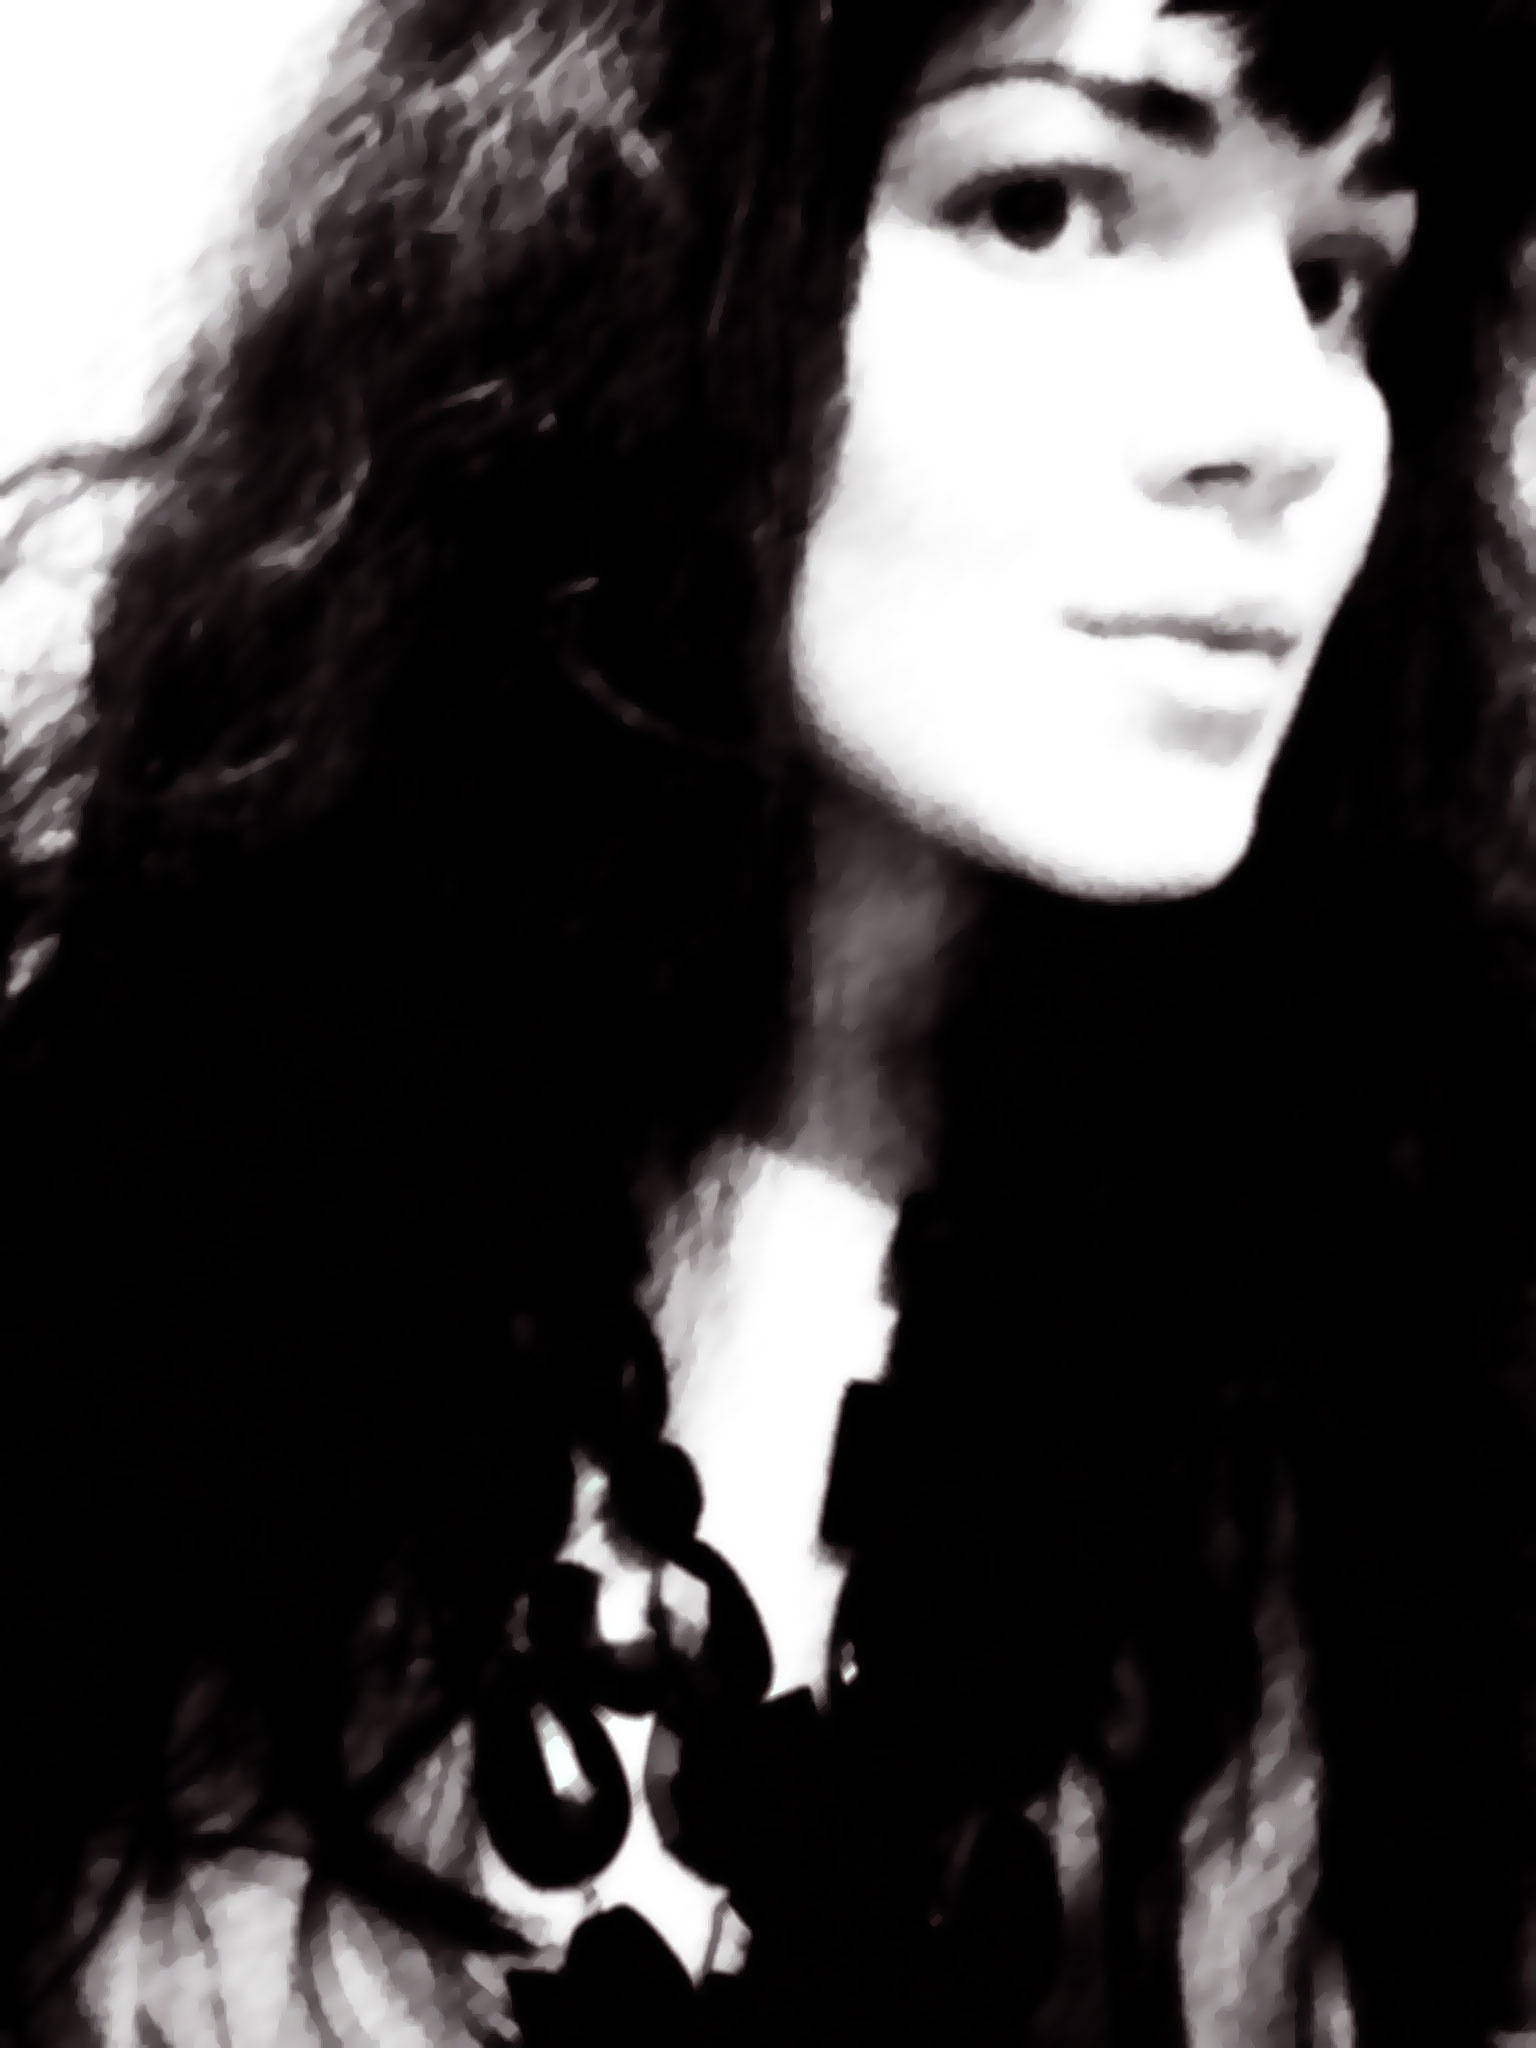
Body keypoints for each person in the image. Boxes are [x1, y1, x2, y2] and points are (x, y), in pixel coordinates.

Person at [3, 0, 1535, 2041]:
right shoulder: (135, 1209)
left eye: (1339, 279)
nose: (1288, 421)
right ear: (617, 259)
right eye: (1044, 205)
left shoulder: (1432, 1327)